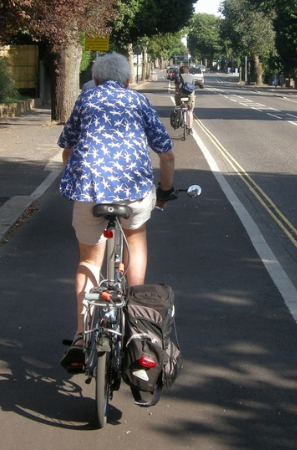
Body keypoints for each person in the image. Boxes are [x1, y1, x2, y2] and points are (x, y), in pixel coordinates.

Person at [58, 52, 176, 370]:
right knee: (135, 239)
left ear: (95, 79)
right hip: (134, 192)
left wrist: (74, 185)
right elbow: (166, 155)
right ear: (127, 80)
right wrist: (164, 192)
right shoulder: (138, 102)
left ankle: (82, 336)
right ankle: (137, 328)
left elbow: (67, 148)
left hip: (89, 190)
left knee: (88, 260)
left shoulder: (86, 100)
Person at [174, 65, 196, 134]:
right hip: (190, 96)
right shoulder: (192, 77)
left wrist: (177, 92)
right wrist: (193, 95)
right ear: (188, 71)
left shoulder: (178, 77)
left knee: (176, 97)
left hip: (181, 95)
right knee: (190, 111)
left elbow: (176, 88)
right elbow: (193, 88)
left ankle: (178, 108)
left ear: (180, 71)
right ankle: (190, 128)